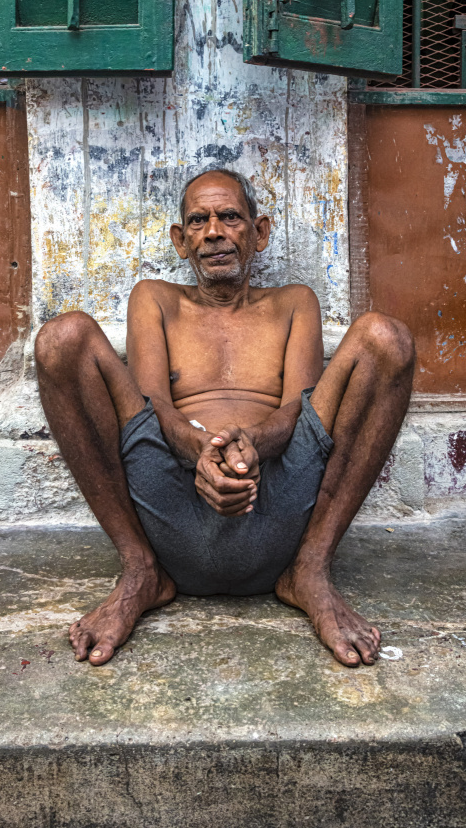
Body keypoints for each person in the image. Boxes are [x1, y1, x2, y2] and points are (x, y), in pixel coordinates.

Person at [35, 168, 415, 668]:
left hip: (276, 500)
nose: (213, 231)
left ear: (258, 233)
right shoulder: (155, 299)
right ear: (180, 239)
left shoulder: (294, 303)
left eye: (230, 216)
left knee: (385, 338)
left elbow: (299, 412)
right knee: (62, 338)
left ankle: (311, 569)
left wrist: (253, 442)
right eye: (198, 220)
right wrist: (203, 451)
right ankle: (140, 569)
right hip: (174, 497)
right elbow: (152, 413)